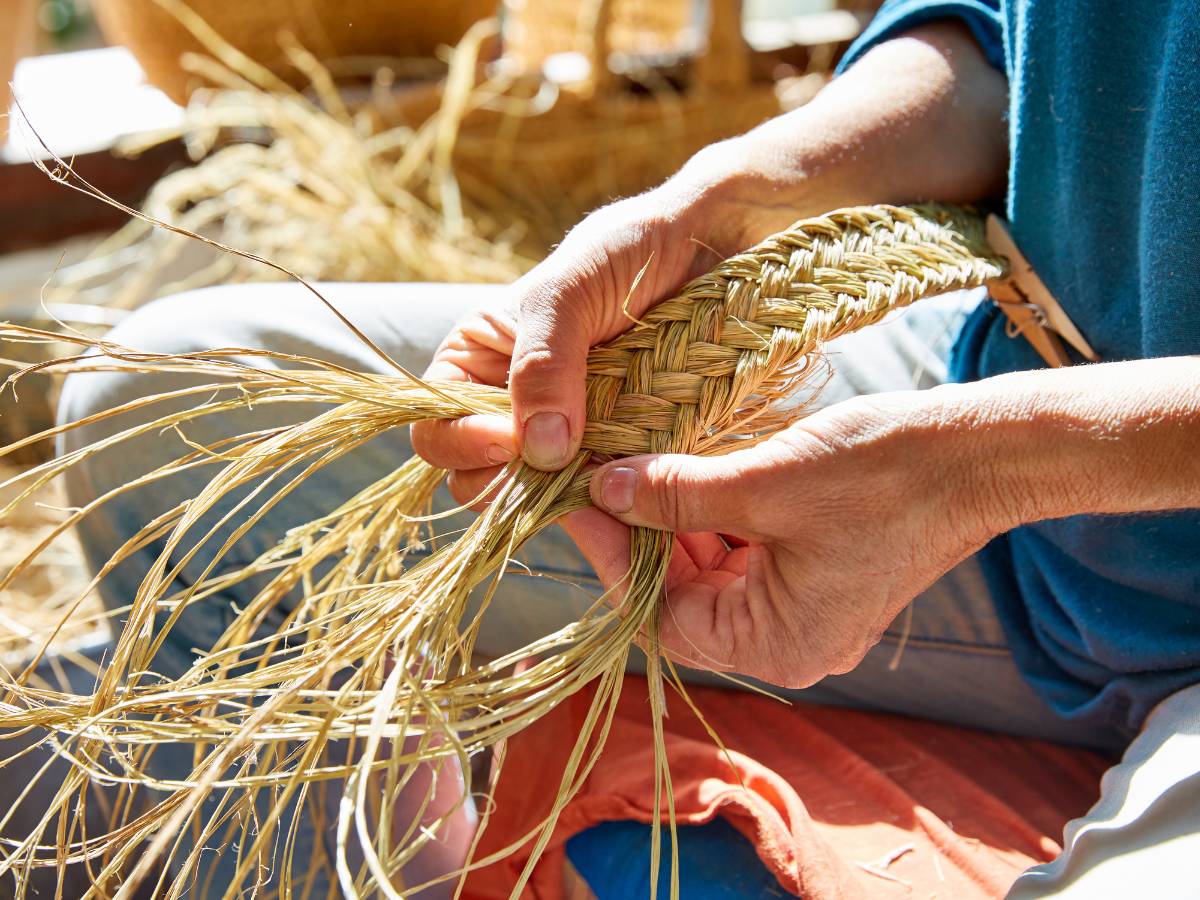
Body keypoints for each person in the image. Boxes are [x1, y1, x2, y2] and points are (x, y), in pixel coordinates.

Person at [57, 0, 1199, 896]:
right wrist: (732, 197)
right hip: (1024, 398)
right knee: (171, 403)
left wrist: (988, 465)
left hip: (1081, 492)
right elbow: (1012, 39)